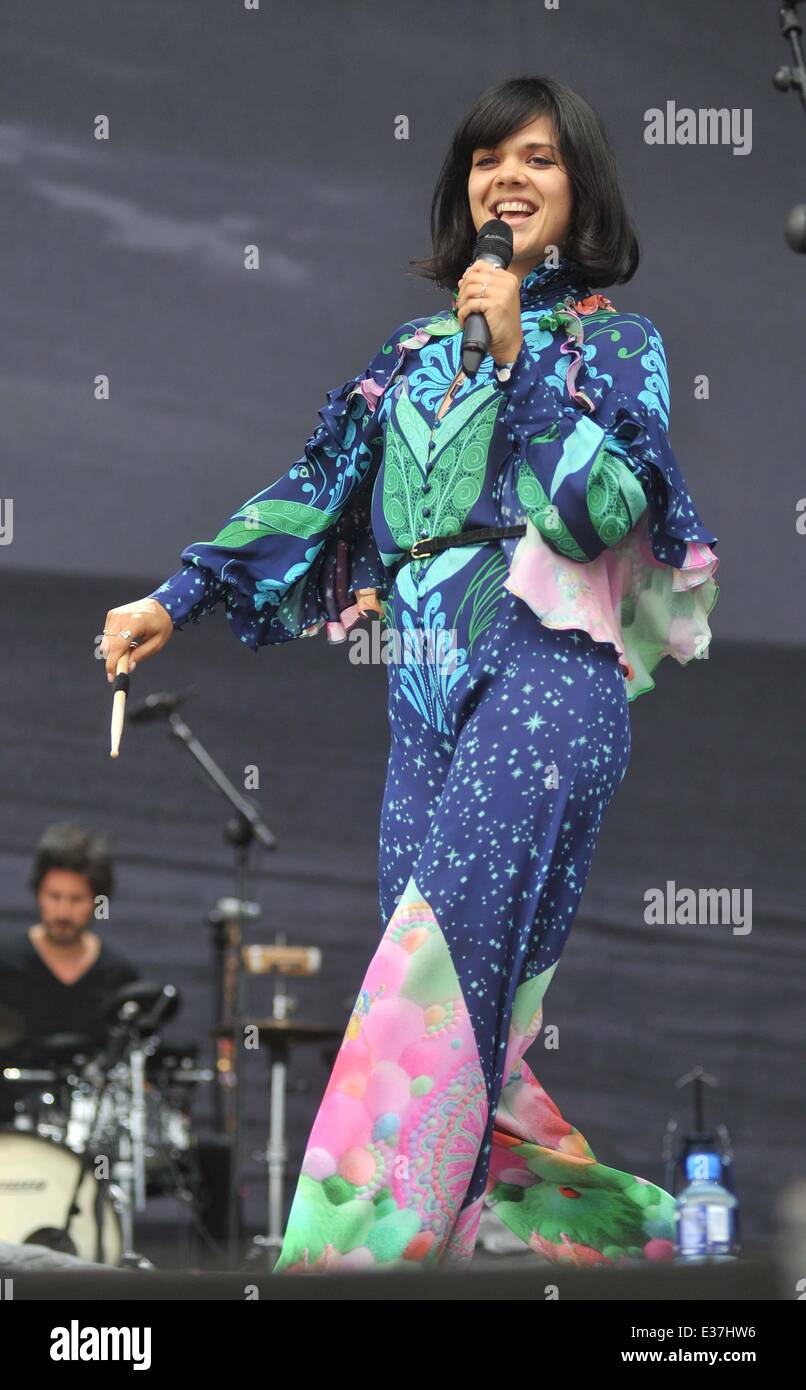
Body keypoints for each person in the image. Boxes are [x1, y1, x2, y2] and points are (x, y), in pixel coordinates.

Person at [98, 76, 719, 1272]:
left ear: (578, 188)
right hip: (422, 698)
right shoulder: (403, 359)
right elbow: (308, 489)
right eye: (489, 159)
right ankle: (635, 1255)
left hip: (543, 680)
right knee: (457, 1032)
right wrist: (173, 597)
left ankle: (335, 1274)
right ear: (464, 188)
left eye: (538, 157)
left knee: (416, 1001)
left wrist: (518, 351)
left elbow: (597, 509)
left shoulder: (611, 342)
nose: (508, 178)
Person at [0, 822, 140, 1121]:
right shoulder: (5, 963)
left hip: (90, 1134)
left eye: (76, 900)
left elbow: (128, 1070)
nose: (63, 912)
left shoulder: (118, 976)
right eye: (54, 897)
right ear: (38, 894)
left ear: (97, 901)